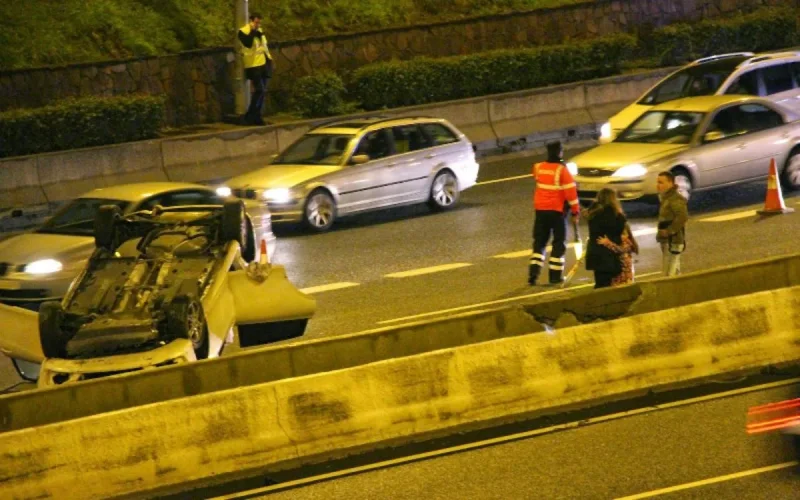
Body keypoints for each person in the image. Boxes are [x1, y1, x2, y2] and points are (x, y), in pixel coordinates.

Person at [529, 141, 580, 285]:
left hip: (540, 211)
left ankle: (533, 274)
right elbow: (571, 193)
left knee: (539, 243)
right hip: (556, 212)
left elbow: (541, 180)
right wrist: (576, 211)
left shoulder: (538, 167)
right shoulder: (562, 170)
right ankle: (555, 276)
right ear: (560, 152)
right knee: (558, 243)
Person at [584, 188, 637, 288]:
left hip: (595, 254)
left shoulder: (593, 213)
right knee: (610, 285)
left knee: (599, 283)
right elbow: (619, 234)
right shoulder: (616, 215)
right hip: (610, 256)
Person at [238, 12, 273, 126]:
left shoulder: (260, 30)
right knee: (260, 90)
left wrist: (270, 60)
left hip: (264, 63)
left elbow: (263, 46)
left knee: (263, 92)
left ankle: (257, 116)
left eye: (259, 22)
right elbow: (247, 43)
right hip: (253, 65)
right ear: (251, 21)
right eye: (256, 22)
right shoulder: (243, 31)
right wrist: (253, 31)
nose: (258, 24)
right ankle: (250, 116)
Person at [656, 171, 689, 276]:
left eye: (661, 182)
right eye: (657, 182)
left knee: (669, 272)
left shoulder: (675, 198)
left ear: (670, 183)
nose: (657, 185)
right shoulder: (666, 198)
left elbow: (682, 217)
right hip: (668, 240)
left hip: (673, 240)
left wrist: (669, 231)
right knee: (674, 270)